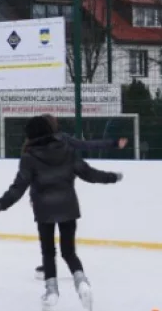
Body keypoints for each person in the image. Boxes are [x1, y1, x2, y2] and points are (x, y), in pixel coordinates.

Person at [0, 115, 123, 311]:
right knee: (69, 252)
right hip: (68, 207)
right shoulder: (67, 149)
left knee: (48, 252)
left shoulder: (29, 157)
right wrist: (112, 177)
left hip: (44, 211)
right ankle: (82, 282)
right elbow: (89, 173)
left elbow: (18, 189)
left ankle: (51, 293)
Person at [34, 114, 129, 280]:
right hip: (64, 201)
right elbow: (87, 153)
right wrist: (113, 146)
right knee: (66, 247)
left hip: (46, 201)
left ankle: (49, 266)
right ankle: (70, 271)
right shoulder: (61, 144)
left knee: (49, 241)